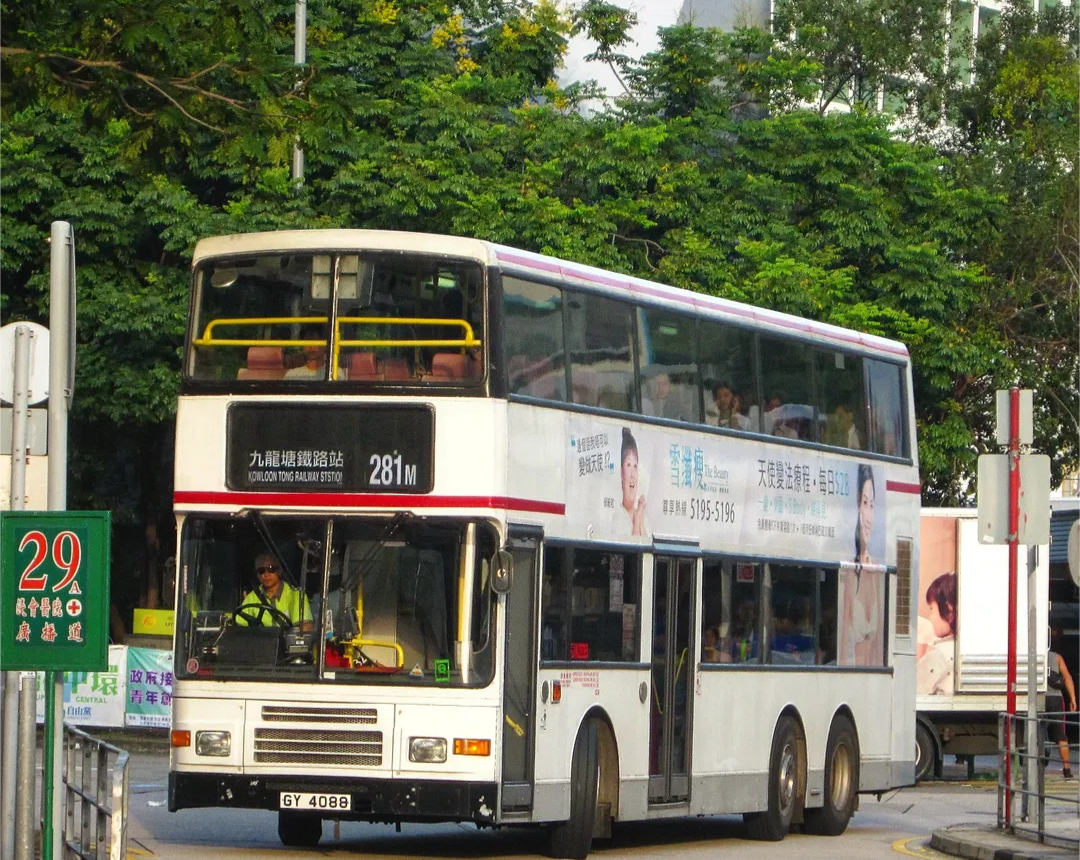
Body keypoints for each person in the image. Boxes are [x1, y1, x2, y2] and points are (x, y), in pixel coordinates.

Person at [839, 465, 882, 666]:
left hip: (875, 680)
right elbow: (843, 641)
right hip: (853, 678)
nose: (869, 518)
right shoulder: (849, 570)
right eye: (865, 503)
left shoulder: (878, 569)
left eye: (872, 505)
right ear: (858, 506)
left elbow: (880, 645)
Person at [237, 552, 313, 629]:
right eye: (261, 570)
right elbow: (238, 626)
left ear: (279, 571)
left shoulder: (296, 595)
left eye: (271, 569)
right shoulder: (251, 598)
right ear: (257, 575)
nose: (266, 574)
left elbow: (305, 627)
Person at [916, 572, 957, 695]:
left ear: (949, 610)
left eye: (932, 609)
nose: (930, 617)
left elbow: (909, 693)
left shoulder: (940, 654)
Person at [1045, 644, 1076, 777]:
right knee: (1061, 735)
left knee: (1034, 732)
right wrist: (1073, 699)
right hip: (1056, 699)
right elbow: (1067, 677)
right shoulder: (1057, 657)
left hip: (1037, 698)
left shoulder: (1031, 656)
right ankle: (1067, 770)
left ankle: (1032, 768)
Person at [615, 427, 647, 536]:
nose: (632, 474)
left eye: (635, 466)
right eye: (628, 465)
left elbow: (648, 545)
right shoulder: (618, 517)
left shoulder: (642, 515)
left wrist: (640, 517)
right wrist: (637, 520)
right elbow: (634, 544)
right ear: (621, 472)